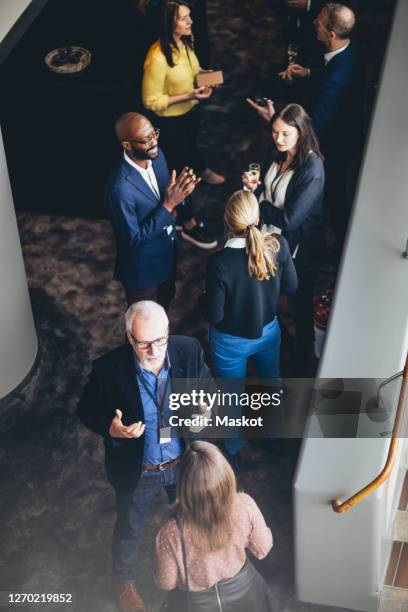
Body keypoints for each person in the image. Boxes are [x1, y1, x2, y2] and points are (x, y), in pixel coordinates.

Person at [76, 301, 211, 612]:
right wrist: (111, 429)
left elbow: (206, 384)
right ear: (128, 337)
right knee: (130, 529)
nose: (153, 351)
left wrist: (203, 408)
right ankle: (123, 582)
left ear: (168, 332)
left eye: (160, 340)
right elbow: (86, 409)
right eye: (143, 343)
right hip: (139, 471)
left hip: (183, 464)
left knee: (190, 523)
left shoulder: (188, 350)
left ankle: (193, 575)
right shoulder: (108, 369)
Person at [249, 4, 364, 252]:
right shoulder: (348, 52)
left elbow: (313, 128)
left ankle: (331, 247)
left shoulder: (335, 79)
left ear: (331, 34)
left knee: (331, 198)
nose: (314, 23)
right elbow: (330, 76)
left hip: (333, 146)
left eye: (319, 23)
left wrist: (273, 120)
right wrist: (309, 73)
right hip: (346, 132)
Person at [202, 190, 297, 458]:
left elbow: (215, 315)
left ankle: (233, 452)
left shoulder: (219, 263)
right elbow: (292, 286)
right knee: (271, 382)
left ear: (226, 220)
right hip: (268, 331)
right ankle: (275, 437)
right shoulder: (278, 245)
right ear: (257, 218)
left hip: (230, 341)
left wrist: (203, 301)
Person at [243, 103, 325, 373]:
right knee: (266, 295)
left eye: (285, 134)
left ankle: (304, 358)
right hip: (268, 238)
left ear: (301, 133)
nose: (278, 139)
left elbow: (290, 219)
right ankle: (280, 343)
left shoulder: (312, 170)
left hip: (297, 248)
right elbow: (266, 190)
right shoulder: (277, 152)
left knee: (299, 303)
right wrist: (254, 190)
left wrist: (260, 206)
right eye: (275, 132)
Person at [105, 112, 209, 311]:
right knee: (143, 324)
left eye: (154, 134)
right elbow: (133, 241)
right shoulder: (119, 189)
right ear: (126, 145)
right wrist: (168, 205)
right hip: (144, 272)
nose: (153, 142)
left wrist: (182, 191)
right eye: (146, 139)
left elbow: (166, 196)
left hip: (167, 254)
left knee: (165, 303)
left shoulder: (158, 155)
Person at [154, 441, 274, 612]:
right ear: (226, 475)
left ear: (185, 484)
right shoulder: (244, 505)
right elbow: (262, 549)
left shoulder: (170, 532)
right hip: (245, 596)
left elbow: (166, 581)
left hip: (195, 605)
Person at [142, 1, 225, 247]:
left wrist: (203, 78)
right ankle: (186, 223)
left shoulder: (186, 43)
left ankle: (201, 169)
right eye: (184, 19)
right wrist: (189, 95)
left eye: (190, 17)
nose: (191, 22)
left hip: (189, 114)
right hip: (171, 123)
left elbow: (193, 69)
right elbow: (150, 101)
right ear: (170, 24)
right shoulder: (156, 58)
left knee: (191, 150)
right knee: (180, 170)